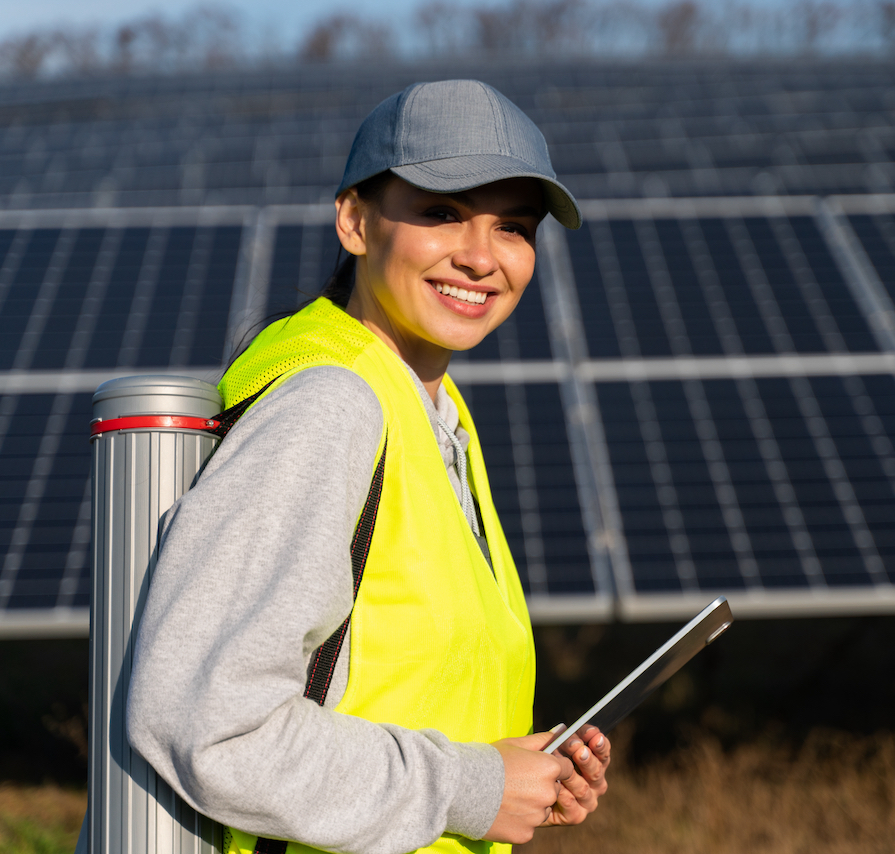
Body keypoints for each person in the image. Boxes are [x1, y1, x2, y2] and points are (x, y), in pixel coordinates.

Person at [126, 79, 611, 854]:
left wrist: (516, 774)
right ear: (354, 221)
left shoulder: (436, 419)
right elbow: (208, 724)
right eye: (442, 213)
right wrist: (471, 786)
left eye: (513, 227)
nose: (480, 256)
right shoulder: (331, 407)